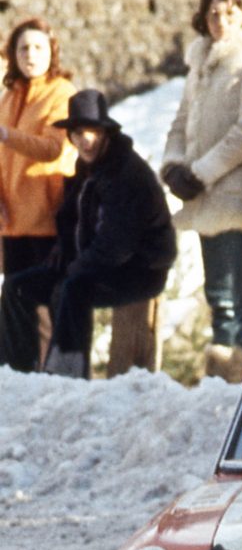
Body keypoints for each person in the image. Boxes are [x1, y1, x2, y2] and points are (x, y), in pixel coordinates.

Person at [1, 89, 176, 378]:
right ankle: (13, 372)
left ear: (105, 133)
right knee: (16, 287)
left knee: (72, 289)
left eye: (92, 132)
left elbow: (117, 244)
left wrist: (76, 268)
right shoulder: (86, 166)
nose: (85, 140)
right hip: (97, 262)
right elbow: (69, 216)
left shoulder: (126, 172)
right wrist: (62, 251)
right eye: (78, 133)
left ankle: (66, 375)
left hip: (140, 269)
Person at [161, 0, 242, 376]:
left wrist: (201, 173)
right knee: (219, 295)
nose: (221, 21)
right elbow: (182, 119)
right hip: (207, 194)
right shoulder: (201, 61)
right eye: (214, 13)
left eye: (230, 13)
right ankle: (221, 377)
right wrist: (173, 165)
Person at [0, 17, 76, 370]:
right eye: (23, 48)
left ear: (51, 52)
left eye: (38, 48)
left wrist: (7, 135)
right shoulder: (9, 97)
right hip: (13, 219)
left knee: (43, 307)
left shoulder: (61, 93)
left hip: (48, 217)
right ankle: (16, 376)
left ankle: (47, 377)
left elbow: (52, 149)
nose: (30, 55)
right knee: (15, 305)